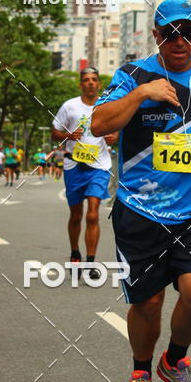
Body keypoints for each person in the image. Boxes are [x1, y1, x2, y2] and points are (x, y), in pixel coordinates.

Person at [91, 0, 191, 382]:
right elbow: (99, 123)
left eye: (186, 32)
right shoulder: (132, 74)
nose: (178, 40)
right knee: (147, 302)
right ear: (156, 35)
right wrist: (142, 94)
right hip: (140, 210)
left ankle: (174, 360)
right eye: (169, 32)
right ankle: (140, 372)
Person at [52, 67, 117, 268]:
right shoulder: (69, 106)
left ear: (98, 84)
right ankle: (75, 251)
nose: (90, 82)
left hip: (99, 165)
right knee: (76, 215)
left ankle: (90, 261)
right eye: (86, 80)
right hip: (74, 165)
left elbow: (119, 130)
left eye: (94, 79)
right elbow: (54, 132)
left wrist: (116, 137)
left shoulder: (107, 106)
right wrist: (66, 136)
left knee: (93, 213)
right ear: (81, 84)